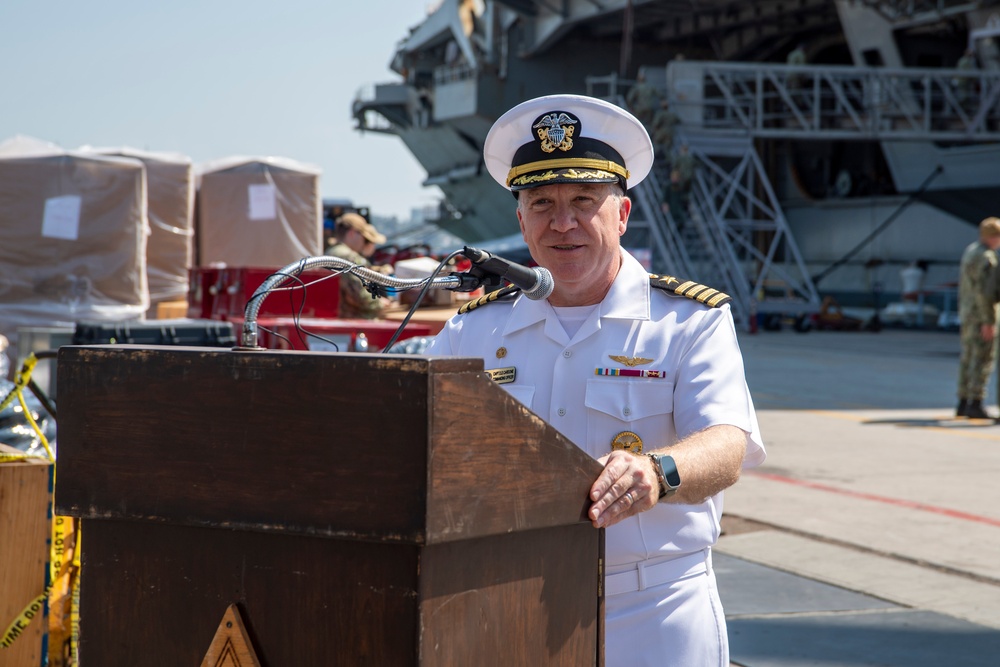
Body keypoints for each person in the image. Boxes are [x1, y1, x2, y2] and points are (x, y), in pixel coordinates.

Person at [425, 94, 765, 665]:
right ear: (520, 221)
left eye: (585, 200)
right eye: (542, 203)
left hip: (652, 608)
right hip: (507, 598)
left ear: (622, 214)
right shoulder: (474, 330)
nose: (564, 223)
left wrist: (657, 471)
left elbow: (728, 444)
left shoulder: (688, 320)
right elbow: (416, 435)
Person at [956, 216, 1000, 419]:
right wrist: (988, 320)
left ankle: (963, 402)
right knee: (982, 358)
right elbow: (985, 292)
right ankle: (976, 402)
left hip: (967, 313)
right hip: (981, 315)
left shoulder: (971, 251)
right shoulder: (987, 258)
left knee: (968, 357)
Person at [326, 212, 392, 319]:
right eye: (363, 236)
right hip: (353, 321)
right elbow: (360, 296)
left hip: (333, 319)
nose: (363, 242)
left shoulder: (329, 253)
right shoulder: (350, 257)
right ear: (352, 233)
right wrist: (380, 303)